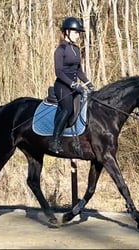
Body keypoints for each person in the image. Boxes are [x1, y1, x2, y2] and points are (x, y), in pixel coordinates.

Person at [49, 16, 94, 154]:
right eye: (75, 32)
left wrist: (88, 83)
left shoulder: (75, 49)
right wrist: (73, 85)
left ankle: (77, 140)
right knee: (68, 109)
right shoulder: (60, 50)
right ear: (67, 32)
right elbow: (59, 72)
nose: (77, 35)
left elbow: (78, 70)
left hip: (74, 85)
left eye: (78, 33)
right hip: (62, 86)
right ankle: (55, 141)